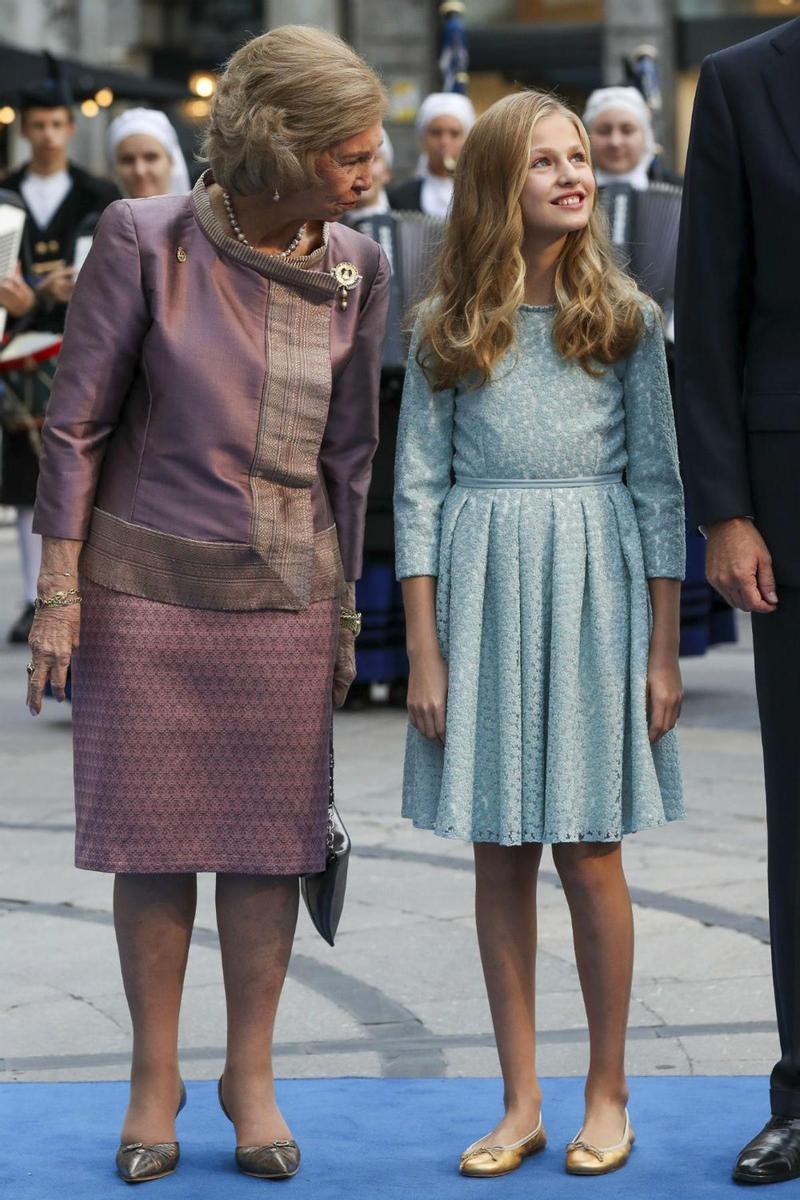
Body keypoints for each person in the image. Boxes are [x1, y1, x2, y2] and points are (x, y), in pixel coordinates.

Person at [26, 25, 389, 1184]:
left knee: (266, 849)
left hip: (286, 591)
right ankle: (151, 1077)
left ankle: (250, 1075)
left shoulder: (359, 267)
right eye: (350, 148)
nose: (371, 164)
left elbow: (350, 455)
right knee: (155, 842)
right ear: (280, 148)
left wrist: (340, 613)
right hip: (145, 591)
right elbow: (74, 423)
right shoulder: (142, 238)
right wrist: (58, 592)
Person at [395, 89, 685, 1178]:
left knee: (592, 851)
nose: (573, 174)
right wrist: (421, 647)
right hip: (479, 588)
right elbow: (415, 490)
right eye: (543, 162)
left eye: (579, 157)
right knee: (500, 853)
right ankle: (517, 1099)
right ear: (492, 186)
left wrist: (660, 647)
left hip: (594, 585)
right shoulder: (441, 326)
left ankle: (606, 1090)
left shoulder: (626, 319)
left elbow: (657, 487)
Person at [675, 15, 800, 1187]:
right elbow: (702, 307)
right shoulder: (737, 83)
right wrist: (722, 508)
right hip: (786, 505)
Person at [583, 85, 736, 661]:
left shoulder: (678, 194)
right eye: (605, 131)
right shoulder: (572, 196)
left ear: (645, 137)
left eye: (627, 130)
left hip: (667, 365)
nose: (617, 142)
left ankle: (667, 644)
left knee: (661, 488)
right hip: (590, 366)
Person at [0, 79, 118, 645]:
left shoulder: (97, 192)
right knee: (25, 473)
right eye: (37, 125)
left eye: (56, 125)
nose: (46, 135)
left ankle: (76, 585)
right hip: (17, 349)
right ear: (24, 129)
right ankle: (30, 595)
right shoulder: (5, 192)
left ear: (71, 127)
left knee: (76, 464)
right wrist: (19, 302)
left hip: (83, 345)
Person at [387, 91, 475, 215]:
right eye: (436, 133)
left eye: (454, 134)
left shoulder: (479, 196)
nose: (444, 142)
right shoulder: (400, 198)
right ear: (423, 139)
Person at [107, 107, 191, 199]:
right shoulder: (99, 213)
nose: (139, 171)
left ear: (171, 162)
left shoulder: (203, 213)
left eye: (151, 158)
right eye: (128, 160)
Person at [341, 128, 393, 222]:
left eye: (374, 159)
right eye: (352, 161)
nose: (363, 172)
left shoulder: (405, 212)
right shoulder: (324, 225)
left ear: (387, 173)